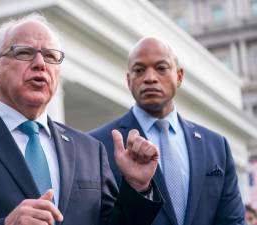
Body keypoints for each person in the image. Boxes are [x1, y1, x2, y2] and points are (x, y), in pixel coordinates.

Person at [0, 14, 163, 225]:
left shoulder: (90, 150)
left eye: (50, 56)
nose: (40, 63)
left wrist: (138, 188)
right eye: (25, 52)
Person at [89, 37, 245, 225]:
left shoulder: (216, 146)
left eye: (161, 68)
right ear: (129, 80)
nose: (150, 78)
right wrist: (137, 189)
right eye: (139, 70)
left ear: (179, 76)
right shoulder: (95, 146)